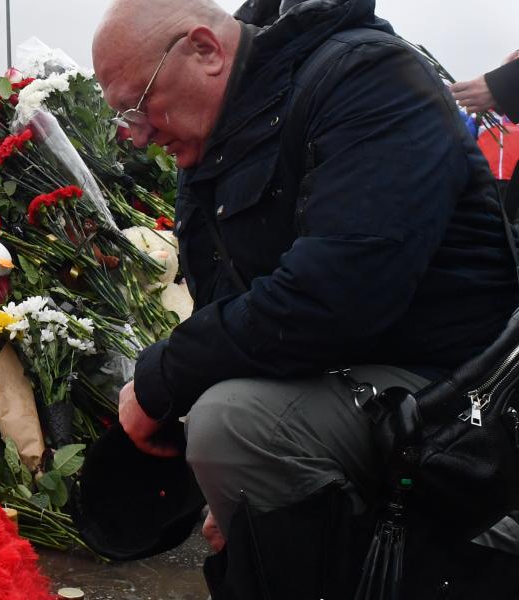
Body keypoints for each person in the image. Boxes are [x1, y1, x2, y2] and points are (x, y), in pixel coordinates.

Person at [93, 0, 519, 594]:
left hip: (457, 402)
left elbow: (338, 296)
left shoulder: (367, 79)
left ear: (206, 51)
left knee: (232, 426)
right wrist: (238, 494)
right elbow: (229, 309)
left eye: (137, 106)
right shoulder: (216, 144)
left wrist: (162, 379)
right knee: (233, 446)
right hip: (361, 381)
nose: (135, 136)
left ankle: (484, 542)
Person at [453, 50, 519, 213]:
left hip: (513, 180)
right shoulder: (481, 117)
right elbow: (464, 140)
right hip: (488, 180)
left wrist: (505, 83)